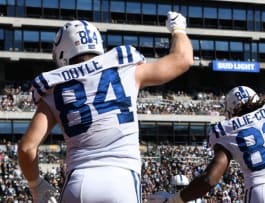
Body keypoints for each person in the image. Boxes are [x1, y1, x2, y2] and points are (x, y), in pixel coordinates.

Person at [17, 11, 193, 203]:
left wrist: (36, 186)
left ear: (62, 52)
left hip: (78, 182)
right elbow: (182, 59)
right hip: (122, 179)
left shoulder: (54, 87)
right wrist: (178, 29)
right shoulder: (125, 68)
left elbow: (27, 148)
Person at [148, 48, 265, 203]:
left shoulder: (227, 129)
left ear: (230, 112)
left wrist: (174, 201)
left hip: (259, 192)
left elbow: (210, 179)